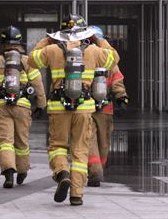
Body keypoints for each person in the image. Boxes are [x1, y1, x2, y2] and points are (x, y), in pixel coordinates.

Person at [28, 18, 119, 206]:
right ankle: (77, 194)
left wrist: (47, 40)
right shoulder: (94, 51)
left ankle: (62, 173)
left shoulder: (51, 50)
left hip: (58, 107)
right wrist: (97, 39)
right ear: (84, 32)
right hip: (84, 107)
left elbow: (32, 60)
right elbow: (114, 59)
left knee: (57, 146)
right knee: (80, 150)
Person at [0, 26, 46, 188]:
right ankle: (23, 170)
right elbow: (38, 84)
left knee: (5, 141)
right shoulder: (27, 61)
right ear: (20, 43)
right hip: (23, 106)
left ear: (2, 43)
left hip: (1, 106)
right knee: (22, 141)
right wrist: (40, 105)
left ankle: (8, 172)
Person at [86, 26, 129, 187]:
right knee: (104, 143)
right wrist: (122, 97)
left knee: (90, 139)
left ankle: (94, 171)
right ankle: (97, 170)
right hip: (105, 108)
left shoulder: (85, 56)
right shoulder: (109, 58)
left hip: (88, 106)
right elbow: (117, 79)